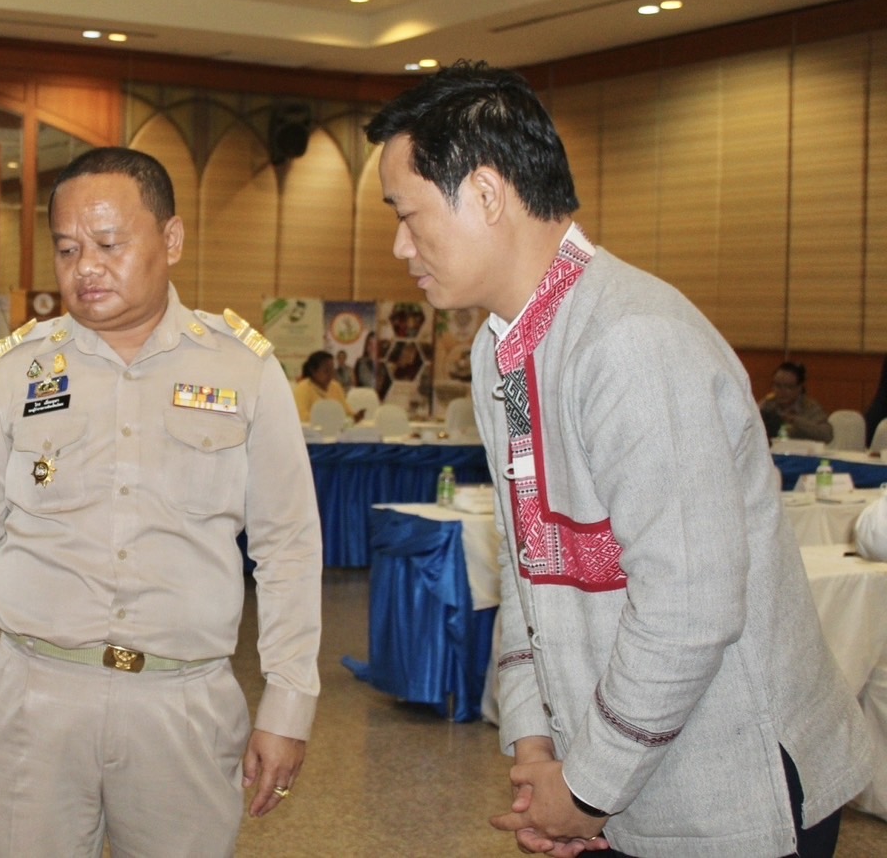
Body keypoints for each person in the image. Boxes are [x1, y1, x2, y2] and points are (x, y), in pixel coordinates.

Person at [369, 62, 871, 858]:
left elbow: (690, 608)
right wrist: (536, 746)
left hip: (730, 790)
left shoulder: (631, 340)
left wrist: (592, 787)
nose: (400, 245)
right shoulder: (508, 348)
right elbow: (532, 572)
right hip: (620, 782)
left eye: (408, 213)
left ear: (489, 193)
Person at [0, 147, 323, 856]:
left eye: (109, 244)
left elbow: (288, 548)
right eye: (68, 249)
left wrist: (288, 706)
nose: (86, 268)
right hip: (32, 700)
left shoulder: (244, 371)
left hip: (184, 706)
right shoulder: (17, 371)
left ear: (171, 240)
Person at [760, 362, 834, 443]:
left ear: (800, 387)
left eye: (789, 387)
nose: (782, 391)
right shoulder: (768, 404)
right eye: (777, 385)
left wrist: (795, 421)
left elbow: (827, 435)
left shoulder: (810, 407)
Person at [294, 349, 352, 423]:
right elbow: (301, 416)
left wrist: (355, 417)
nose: (330, 375)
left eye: (332, 370)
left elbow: (346, 411)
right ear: (313, 371)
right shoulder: (302, 388)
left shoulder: (335, 386)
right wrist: (328, 420)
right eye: (326, 371)